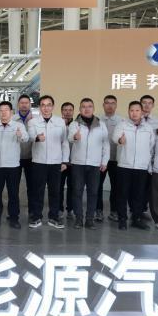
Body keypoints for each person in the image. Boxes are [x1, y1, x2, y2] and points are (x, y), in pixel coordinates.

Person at [26, 95, 68, 229]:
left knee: (55, 191)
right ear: (39, 107)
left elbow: (64, 142)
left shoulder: (60, 122)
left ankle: (53, 217)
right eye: (43, 105)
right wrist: (37, 138)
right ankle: (36, 217)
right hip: (39, 162)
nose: (46, 108)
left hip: (55, 162)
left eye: (49, 105)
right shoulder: (33, 122)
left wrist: (65, 161)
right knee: (37, 191)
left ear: (53, 107)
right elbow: (30, 137)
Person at [66, 98, 108, 230]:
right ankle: (79, 218)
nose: (87, 109)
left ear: (93, 108)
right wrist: (75, 137)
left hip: (95, 164)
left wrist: (104, 161)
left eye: (89, 106)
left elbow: (105, 144)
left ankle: (90, 219)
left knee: (93, 192)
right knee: (77, 191)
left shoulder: (101, 124)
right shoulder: (74, 124)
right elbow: (69, 138)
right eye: (83, 106)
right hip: (78, 164)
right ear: (80, 109)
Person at [111, 101, 154, 230]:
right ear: (128, 111)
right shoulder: (122, 125)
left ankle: (136, 219)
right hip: (124, 165)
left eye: (137, 110)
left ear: (142, 112)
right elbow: (115, 137)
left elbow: (151, 146)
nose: (134, 113)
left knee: (138, 195)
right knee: (122, 194)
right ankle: (122, 219)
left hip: (141, 167)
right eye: (132, 110)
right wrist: (120, 140)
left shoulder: (148, 128)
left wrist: (147, 163)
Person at [0, 100, 27, 228]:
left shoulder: (18, 126)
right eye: (1, 111)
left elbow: (25, 138)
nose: (3, 113)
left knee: (13, 193)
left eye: (6, 110)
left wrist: (20, 135)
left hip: (13, 166)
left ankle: (14, 218)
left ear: (11, 112)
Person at [96, 95, 122, 222]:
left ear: (116, 105)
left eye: (112, 103)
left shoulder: (122, 121)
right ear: (103, 105)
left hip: (116, 159)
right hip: (100, 159)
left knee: (116, 187)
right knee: (97, 185)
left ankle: (114, 211)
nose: (110, 106)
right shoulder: (97, 120)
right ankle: (98, 210)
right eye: (107, 103)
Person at [14, 94, 36, 222]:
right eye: (22, 103)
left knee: (32, 186)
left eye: (26, 103)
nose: (24, 105)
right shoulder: (12, 119)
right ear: (18, 104)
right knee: (14, 187)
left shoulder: (36, 119)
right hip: (15, 158)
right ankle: (14, 212)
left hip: (32, 157)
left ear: (30, 104)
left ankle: (32, 211)